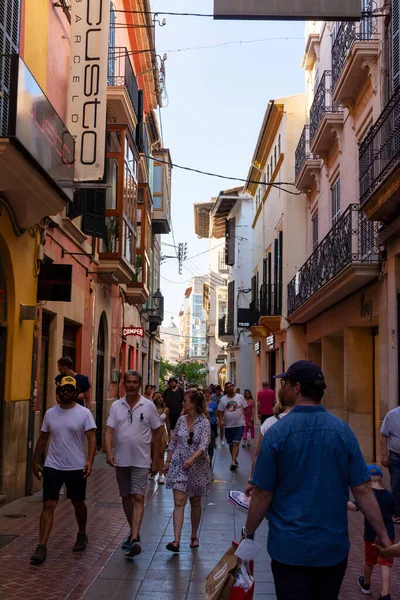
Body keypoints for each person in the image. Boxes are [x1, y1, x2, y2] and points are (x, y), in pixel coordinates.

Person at [242, 360, 392, 600]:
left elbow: (263, 493)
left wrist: (249, 532)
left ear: (297, 388)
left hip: (288, 548)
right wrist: (383, 534)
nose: (284, 387)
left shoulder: (277, 433)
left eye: (287, 383)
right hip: (331, 548)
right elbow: (363, 489)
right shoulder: (342, 431)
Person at [30, 376, 96, 564]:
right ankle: (41, 545)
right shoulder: (50, 413)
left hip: (76, 466)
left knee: (78, 502)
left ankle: (82, 533)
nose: (65, 392)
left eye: (69, 389)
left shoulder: (84, 413)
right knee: (49, 504)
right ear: (58, 392)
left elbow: (91, 438)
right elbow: (43, 438)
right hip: (53, 465)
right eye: (62, 390)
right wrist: (35, 461)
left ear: (75, 392)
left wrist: (90, 460)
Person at [105, 370, 162, 558]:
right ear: (124, 384)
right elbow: (109, 430)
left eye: (134, 382)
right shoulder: (116, 406)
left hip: (141, 460)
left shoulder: (149, 406)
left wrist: (157, 460)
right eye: (128, 382)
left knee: (138, 497)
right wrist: (108, 451)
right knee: (126, 497)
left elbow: (158, 433)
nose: (131, 385)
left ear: (140, 384)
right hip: (121, 460)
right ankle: (133, 532)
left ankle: (135, 538)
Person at [164, 388, 211, 552]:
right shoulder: (180, 420)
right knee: (179, 502)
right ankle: (176, 541)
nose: (183, 403)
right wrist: (168, 460)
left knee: (195, 501)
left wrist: (192, 459)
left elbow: (204, 444)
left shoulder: (204, 422)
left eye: (185, 401)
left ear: (194, 403)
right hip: (179, 465)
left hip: (197, 466)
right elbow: (174, 442)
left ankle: (193, 535)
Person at [348, 465, 396, 600]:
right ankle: (385, 593)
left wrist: (343, 500)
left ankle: (366, 584)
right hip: (388, 535)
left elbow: (353, 507)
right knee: (385, 562)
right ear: (381, 478)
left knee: (369, 561)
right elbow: (394, 513)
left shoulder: (367, 496)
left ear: (366, 480)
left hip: (371, 535)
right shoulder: (389, 495)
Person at [246, 387, 294, 495]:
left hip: (274, 476)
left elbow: (258, 454)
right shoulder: (306, 421)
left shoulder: (269, 423)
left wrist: (252, 479)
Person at [218, 382, 249, 471]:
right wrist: (221, 420)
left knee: (236, 443)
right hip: (228, 426)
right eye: (227, 387)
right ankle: (234, 459)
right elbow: (220, 411)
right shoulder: (223, 399)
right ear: (225, 389)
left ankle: (233, 461)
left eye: (231, 386)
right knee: (231, 445)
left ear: (233, 387)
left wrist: (249, 420)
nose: (230, 388)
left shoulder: (240, 397)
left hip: (239, 424)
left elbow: (246, 408)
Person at [380, 404, 400, 524]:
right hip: (396, 457)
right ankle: (398, 514)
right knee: (396, 486)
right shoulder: (392, 415)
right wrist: (384, 454)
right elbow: (384, 435)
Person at [152, 391, 170, 484]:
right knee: (151, 453)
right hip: (152, 432)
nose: (160, 399)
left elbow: (168, 423)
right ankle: (152, 471)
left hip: (162, 432)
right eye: (158, 397)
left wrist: (169, 437)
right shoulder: (151, 408)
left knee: (161, 453)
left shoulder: (166, 409)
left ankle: (160, 475)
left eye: (161, 397)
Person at [205, 389, 218, 467]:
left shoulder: (213, 404)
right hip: (203, 426)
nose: (207, 395)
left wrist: (217, 421)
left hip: (212, 425)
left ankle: (210, 460)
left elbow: (216, 414)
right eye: (205, 394)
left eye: (208, 394)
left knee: (210, 443)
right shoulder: (201, 404)